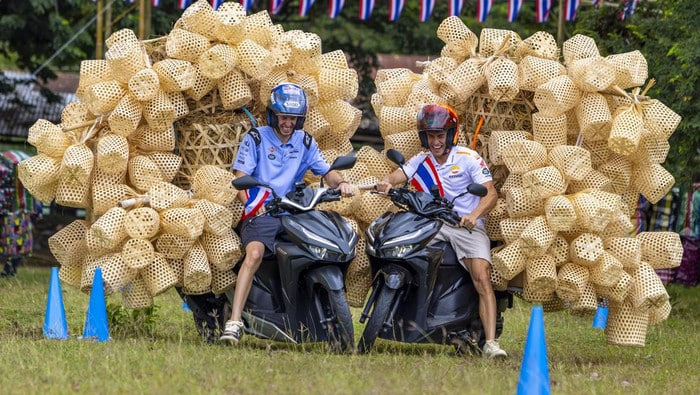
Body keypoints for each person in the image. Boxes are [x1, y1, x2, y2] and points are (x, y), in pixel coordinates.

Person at [220, 83, 354, 344]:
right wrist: (252, 206)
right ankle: (234, 322)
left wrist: (342, 184)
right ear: (273, 115)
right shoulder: (257, 138)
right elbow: (240, 178)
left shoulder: (305, 141)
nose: (288, 123)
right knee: (255, 254)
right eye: (283, 117)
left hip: (294, 211)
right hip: (263, 211)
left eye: (293, 118)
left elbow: (326, 171)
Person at [375, 103, 505, 359]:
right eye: (430, 136)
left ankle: (490, 344)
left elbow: (490, 194)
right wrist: (386, 183)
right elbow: (396, 176)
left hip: (464, 226)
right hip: (431, 223)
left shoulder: (468, 158)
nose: (435, 141)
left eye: (440, 135)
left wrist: (474, 215)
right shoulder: (421, 161)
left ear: (450, 135)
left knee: (481, 276)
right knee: (394, 247)